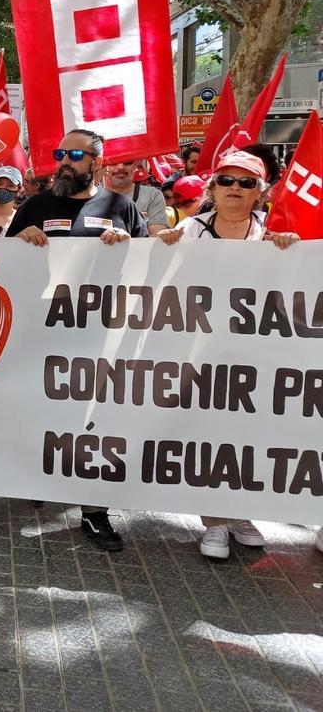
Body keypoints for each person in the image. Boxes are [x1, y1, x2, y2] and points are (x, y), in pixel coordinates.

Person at [7, 128, 145, 552]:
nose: (64, 161)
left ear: (97, 163)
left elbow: (147, 264)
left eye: (75, 155)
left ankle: (94, 510)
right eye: (59, 152)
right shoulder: (36, 204)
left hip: (99, 332)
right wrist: (19, 240)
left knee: (94, 418)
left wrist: (128, 245)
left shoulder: (122, 206)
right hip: (42, 329)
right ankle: (40, 476)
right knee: (42, 406)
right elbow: (0, 261)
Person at [159, 150, 299, 559]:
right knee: (207, 437)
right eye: (226, 181)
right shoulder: (189, 231)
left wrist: (293, 250)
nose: (234, 189)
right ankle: (214, 522)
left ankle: (239, 514)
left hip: (256, 358)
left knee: (245, 439)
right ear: (212, 188)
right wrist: (150, 246)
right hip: (200, 356)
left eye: (246, 183)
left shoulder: (274, 233)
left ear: (261, 193)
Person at [103, 158, 167, 235]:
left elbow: (156, 236)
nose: (120, 167)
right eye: (113, 162)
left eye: (127, 162)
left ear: (136, 164)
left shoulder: (152, 195)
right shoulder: (92, 196)